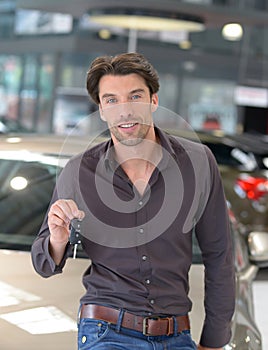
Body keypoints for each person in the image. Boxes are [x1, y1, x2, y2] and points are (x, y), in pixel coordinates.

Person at [31, 52, 235, 350]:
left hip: (177, 333)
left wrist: (214, 340)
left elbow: (219, 254)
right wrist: (58, 239)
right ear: (101, 109)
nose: (124, 110)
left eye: (134, 96)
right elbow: (43, 264)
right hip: (105, 330)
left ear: (154, 100)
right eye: (112, 100)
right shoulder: (78, 171)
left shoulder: (198, 162)